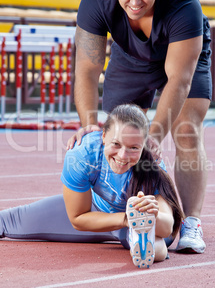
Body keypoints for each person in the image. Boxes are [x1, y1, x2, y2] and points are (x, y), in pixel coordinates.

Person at [68, 0, 212, 253]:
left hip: (183, 55)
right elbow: (86, 70)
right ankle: (133, 213)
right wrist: (90, 124)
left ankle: (190, 223)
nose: (135, 1)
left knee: (186, 129)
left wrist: (155, 135)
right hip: (131, 56)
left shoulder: (184, 6)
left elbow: (180, 80)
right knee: (118, 135)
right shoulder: (96, 1)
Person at [0, 104, 183, 268]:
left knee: (156, 238)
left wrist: (153, 214)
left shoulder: (153, 164)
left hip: (139, 223)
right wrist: (125, 218)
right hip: (97, 211)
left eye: (134, 148)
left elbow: (168, 228)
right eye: (116, 144)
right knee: (8, 221)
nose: (122, 155)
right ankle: (146, 242)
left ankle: (145, 243)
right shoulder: (83, 153)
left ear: (145, 145)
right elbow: (78, 218)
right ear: (103, 136)